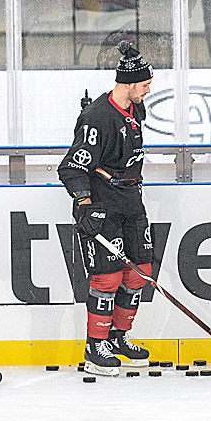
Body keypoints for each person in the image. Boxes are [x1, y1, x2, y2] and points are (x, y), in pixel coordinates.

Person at [57, 42, 154, 377]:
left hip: (131, 202)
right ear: (129, 84)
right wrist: (85, 204)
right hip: (102, 207)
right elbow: (71, 168)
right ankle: (95, 346)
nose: (148, 90)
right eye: (145, 84)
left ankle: (117, 337)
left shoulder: (136, 108)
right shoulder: (97, 118)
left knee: (139, 272)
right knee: (107, 277)